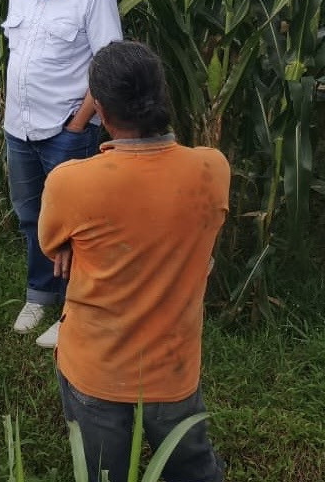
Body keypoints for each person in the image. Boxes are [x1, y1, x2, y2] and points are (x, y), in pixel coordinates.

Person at [40, 40, 229, 482]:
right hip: (174, 367)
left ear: (101, 111)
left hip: (96, 368)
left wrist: (74, 245)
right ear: (162, 98)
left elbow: (53, 245)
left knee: (104, 474)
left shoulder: (70, 183)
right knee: (192, 471)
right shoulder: (212, 169)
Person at [2, 0, 122, 347]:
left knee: (75, 225)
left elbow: (106, 68)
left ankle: (75, 308)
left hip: (66, 131)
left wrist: (77, 123)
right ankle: (40, 294)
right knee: (32, 215)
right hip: (19, 127)